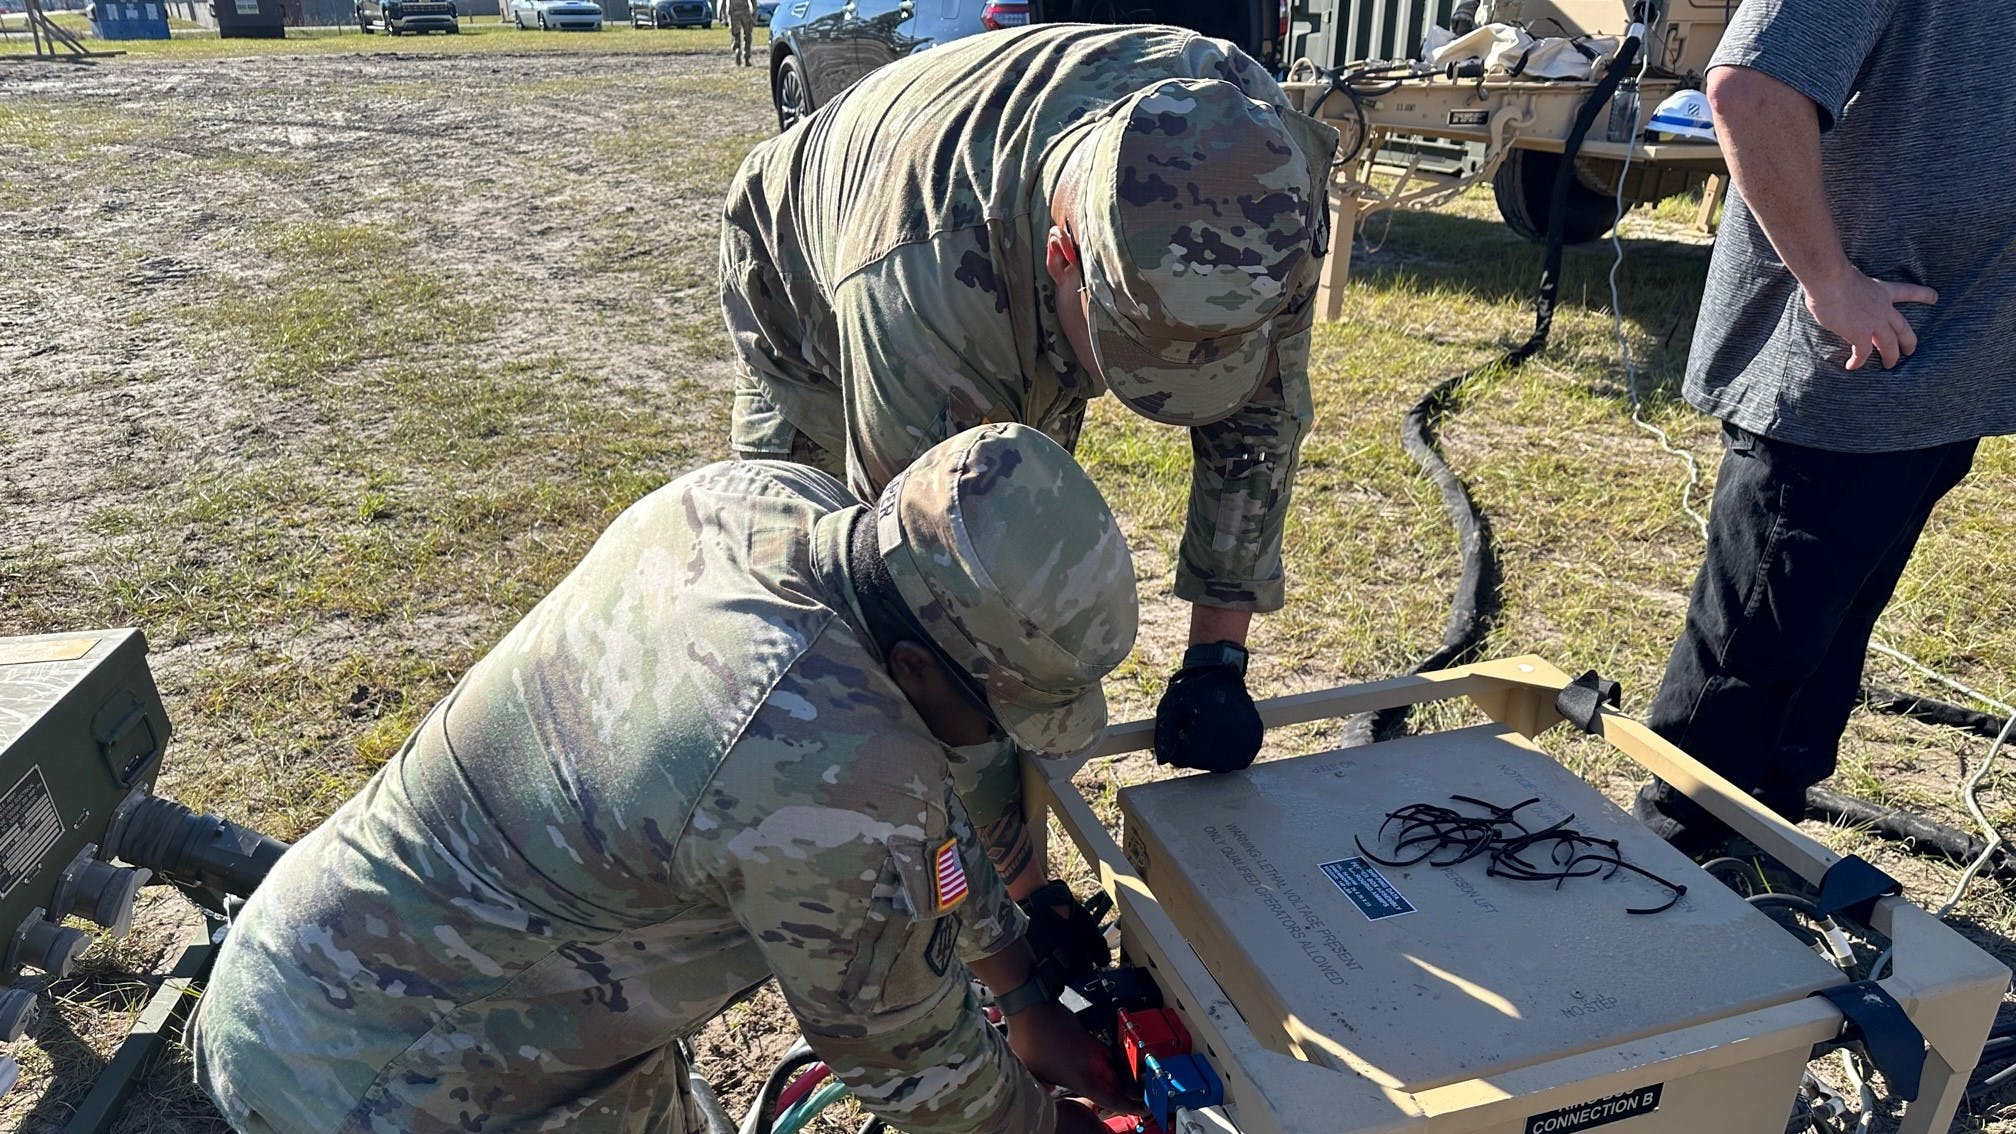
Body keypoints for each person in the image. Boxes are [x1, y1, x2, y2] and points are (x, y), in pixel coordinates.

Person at [190, 424, 1142, 1134]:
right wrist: (1052, 1124)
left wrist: (1017, 989)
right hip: (379, 1080)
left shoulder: (764, 502)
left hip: (331, 960)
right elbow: (920, 1074)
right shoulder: (831, 772)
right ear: (921, 666)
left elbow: (926, 830)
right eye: (994, 715)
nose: (988, 744)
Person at [720, 22, 1339, 783]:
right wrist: (1017, 881)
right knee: (800, 590)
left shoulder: (1267, 176)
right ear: (1062, 259)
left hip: (1004, 257)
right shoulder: (924, 288)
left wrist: (1218, 657)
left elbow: (1260, 423)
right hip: (804, 263)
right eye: (1132, 352)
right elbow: (924, 594)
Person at [1633, 0, 2015, 856]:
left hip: (1943, 372)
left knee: (1825, 647)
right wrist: (1832, 282)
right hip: (1848, 383)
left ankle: (1765, 850)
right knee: (1750, 665)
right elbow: (1750, 91)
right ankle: (1676, 877)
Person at [724, 0, 754, 67]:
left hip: (733, 11)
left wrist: (723, 13)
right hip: (745, 10)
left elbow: (723, 2)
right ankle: (747, 57)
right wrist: (754, 10)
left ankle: (737, 49)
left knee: (736, 34)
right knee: (747, 35)